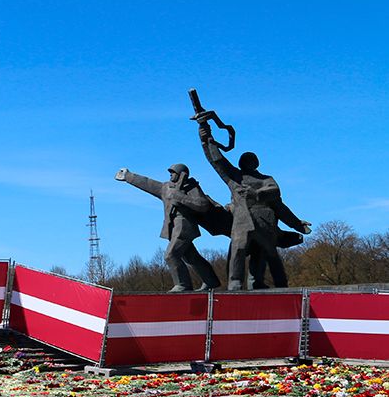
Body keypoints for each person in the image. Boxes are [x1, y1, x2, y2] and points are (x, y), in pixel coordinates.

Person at [198, 121, 310, 290]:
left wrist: (297, 223)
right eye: (243, 161)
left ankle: (276, 285)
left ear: (256, 163)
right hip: (242, 219)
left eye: (249, 161)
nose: (246, 163)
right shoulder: (234, 177)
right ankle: (235, 283)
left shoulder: (266, 180)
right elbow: (217, 161)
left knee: (268, 253)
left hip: (264, 220)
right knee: (238, 249)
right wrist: (206, 138)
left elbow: (278, 202)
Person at [115, 164, 222, 291]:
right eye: (170, 173)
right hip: (172, 226)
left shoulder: (191, 187)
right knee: (191, 257)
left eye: (173, 172)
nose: (171, 175)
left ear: (182, 174)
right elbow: (148, 183)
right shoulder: (166, 188)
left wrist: (181, 198)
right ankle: (211, 280)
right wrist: (128, 176)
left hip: (184, 225)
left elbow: (203, 204)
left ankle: (183, 284)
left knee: (171, 255)